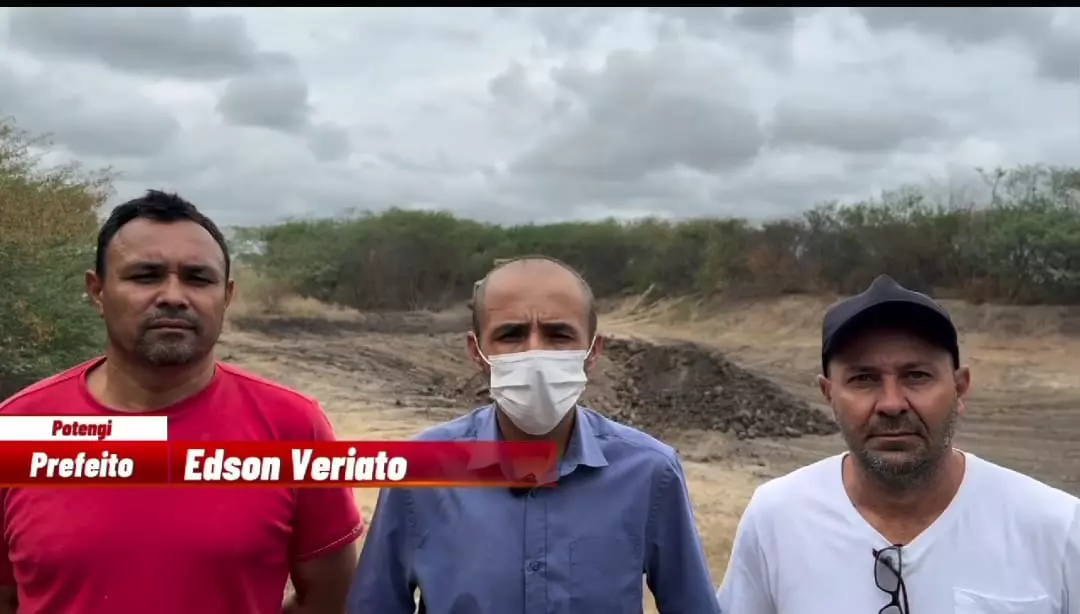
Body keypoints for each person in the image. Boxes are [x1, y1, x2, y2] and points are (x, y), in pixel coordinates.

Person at [0, 190, 362, 614]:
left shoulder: (293, 427)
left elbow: (330, 597)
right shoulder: (20, 427)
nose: (173, 295)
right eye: (145, 275)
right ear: (97, 291)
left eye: (197, 278)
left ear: (225, 296)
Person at [347, 256, 720, 614]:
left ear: (593, 351)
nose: (535, 353)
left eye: (559, 334)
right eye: (511, 334)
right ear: (477, 352)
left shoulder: (650, 472)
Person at [715, 274, 1080, 614]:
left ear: (960, 388)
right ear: (828, 394)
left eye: (916, 376)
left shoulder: (1058, 529)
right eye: (863, 378)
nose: (892, 403)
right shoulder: (777, 518)